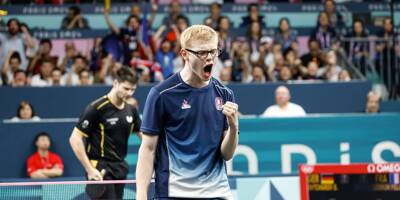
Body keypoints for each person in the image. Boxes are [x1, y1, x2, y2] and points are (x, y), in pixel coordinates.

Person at [136, 25, 239, 200]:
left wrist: (233, 127)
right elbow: (148, 149)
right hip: (174, 194)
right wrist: (141, 195)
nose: (209, 58)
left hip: (217, 193)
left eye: (213, 51)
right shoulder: (162, 94)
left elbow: (226, 155)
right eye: (202, 53)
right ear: (184, 54)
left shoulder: (225, 94)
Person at [69, 66, 141, 200]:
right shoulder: (96, 108)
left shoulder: (131, 110)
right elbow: (75, 139)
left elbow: (145, 136)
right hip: (100, 167)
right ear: (115, 83)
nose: (130, 93)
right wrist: (89, 169)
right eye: (126, 88)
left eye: (133, 89)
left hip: (120, 166)